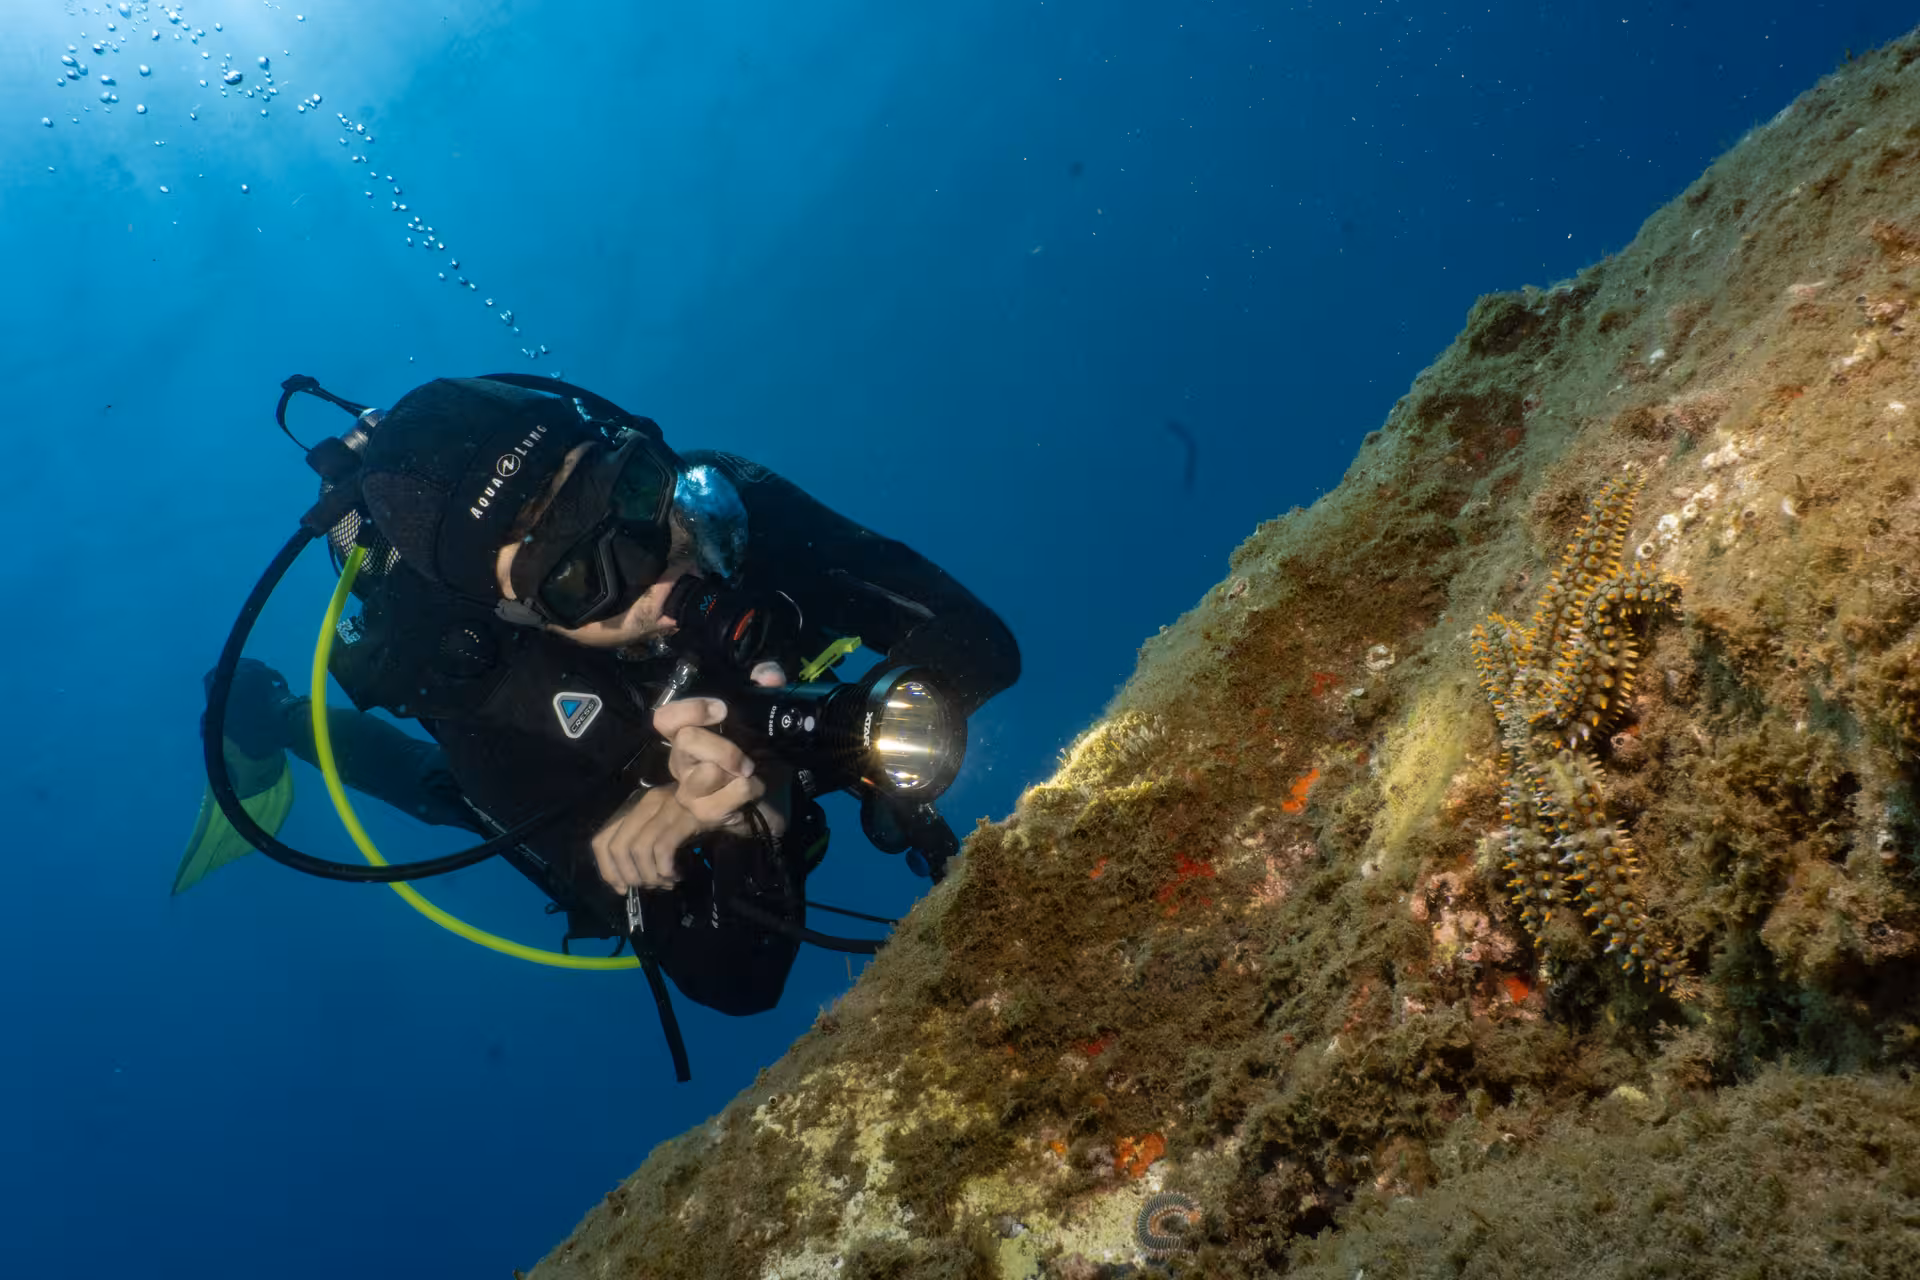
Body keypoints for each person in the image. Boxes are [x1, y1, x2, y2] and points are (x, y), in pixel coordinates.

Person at [188, 374, 1019, 1029]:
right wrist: (743, 829)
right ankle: (273, 714)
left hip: (769, 715)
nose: (662, 573)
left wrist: (866, 719)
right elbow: (732, 981)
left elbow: (975, 635)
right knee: (452, 795)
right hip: (578, 751)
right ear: (519, 610)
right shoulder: (489, 697)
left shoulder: (714, 499)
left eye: (631, 497)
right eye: (583, 577)